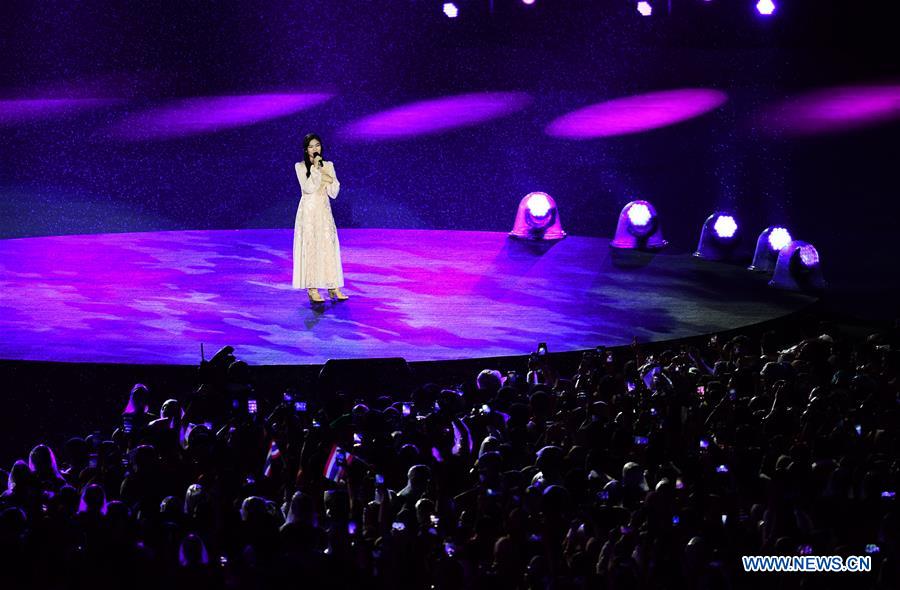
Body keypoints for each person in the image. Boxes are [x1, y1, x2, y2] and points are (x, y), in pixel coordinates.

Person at [292, 133, 349, 305]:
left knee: (328, 246)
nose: (315, 149)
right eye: (311, 146)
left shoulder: (328, 165)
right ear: (306, 150)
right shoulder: (300, 166)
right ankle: (312, 289)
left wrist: (327, 176)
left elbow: (334, 191)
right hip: (308, 212)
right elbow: (308, 188)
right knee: (311, 247)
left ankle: (333, 286)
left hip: (324, 211)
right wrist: (317, 170)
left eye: (317, 145)